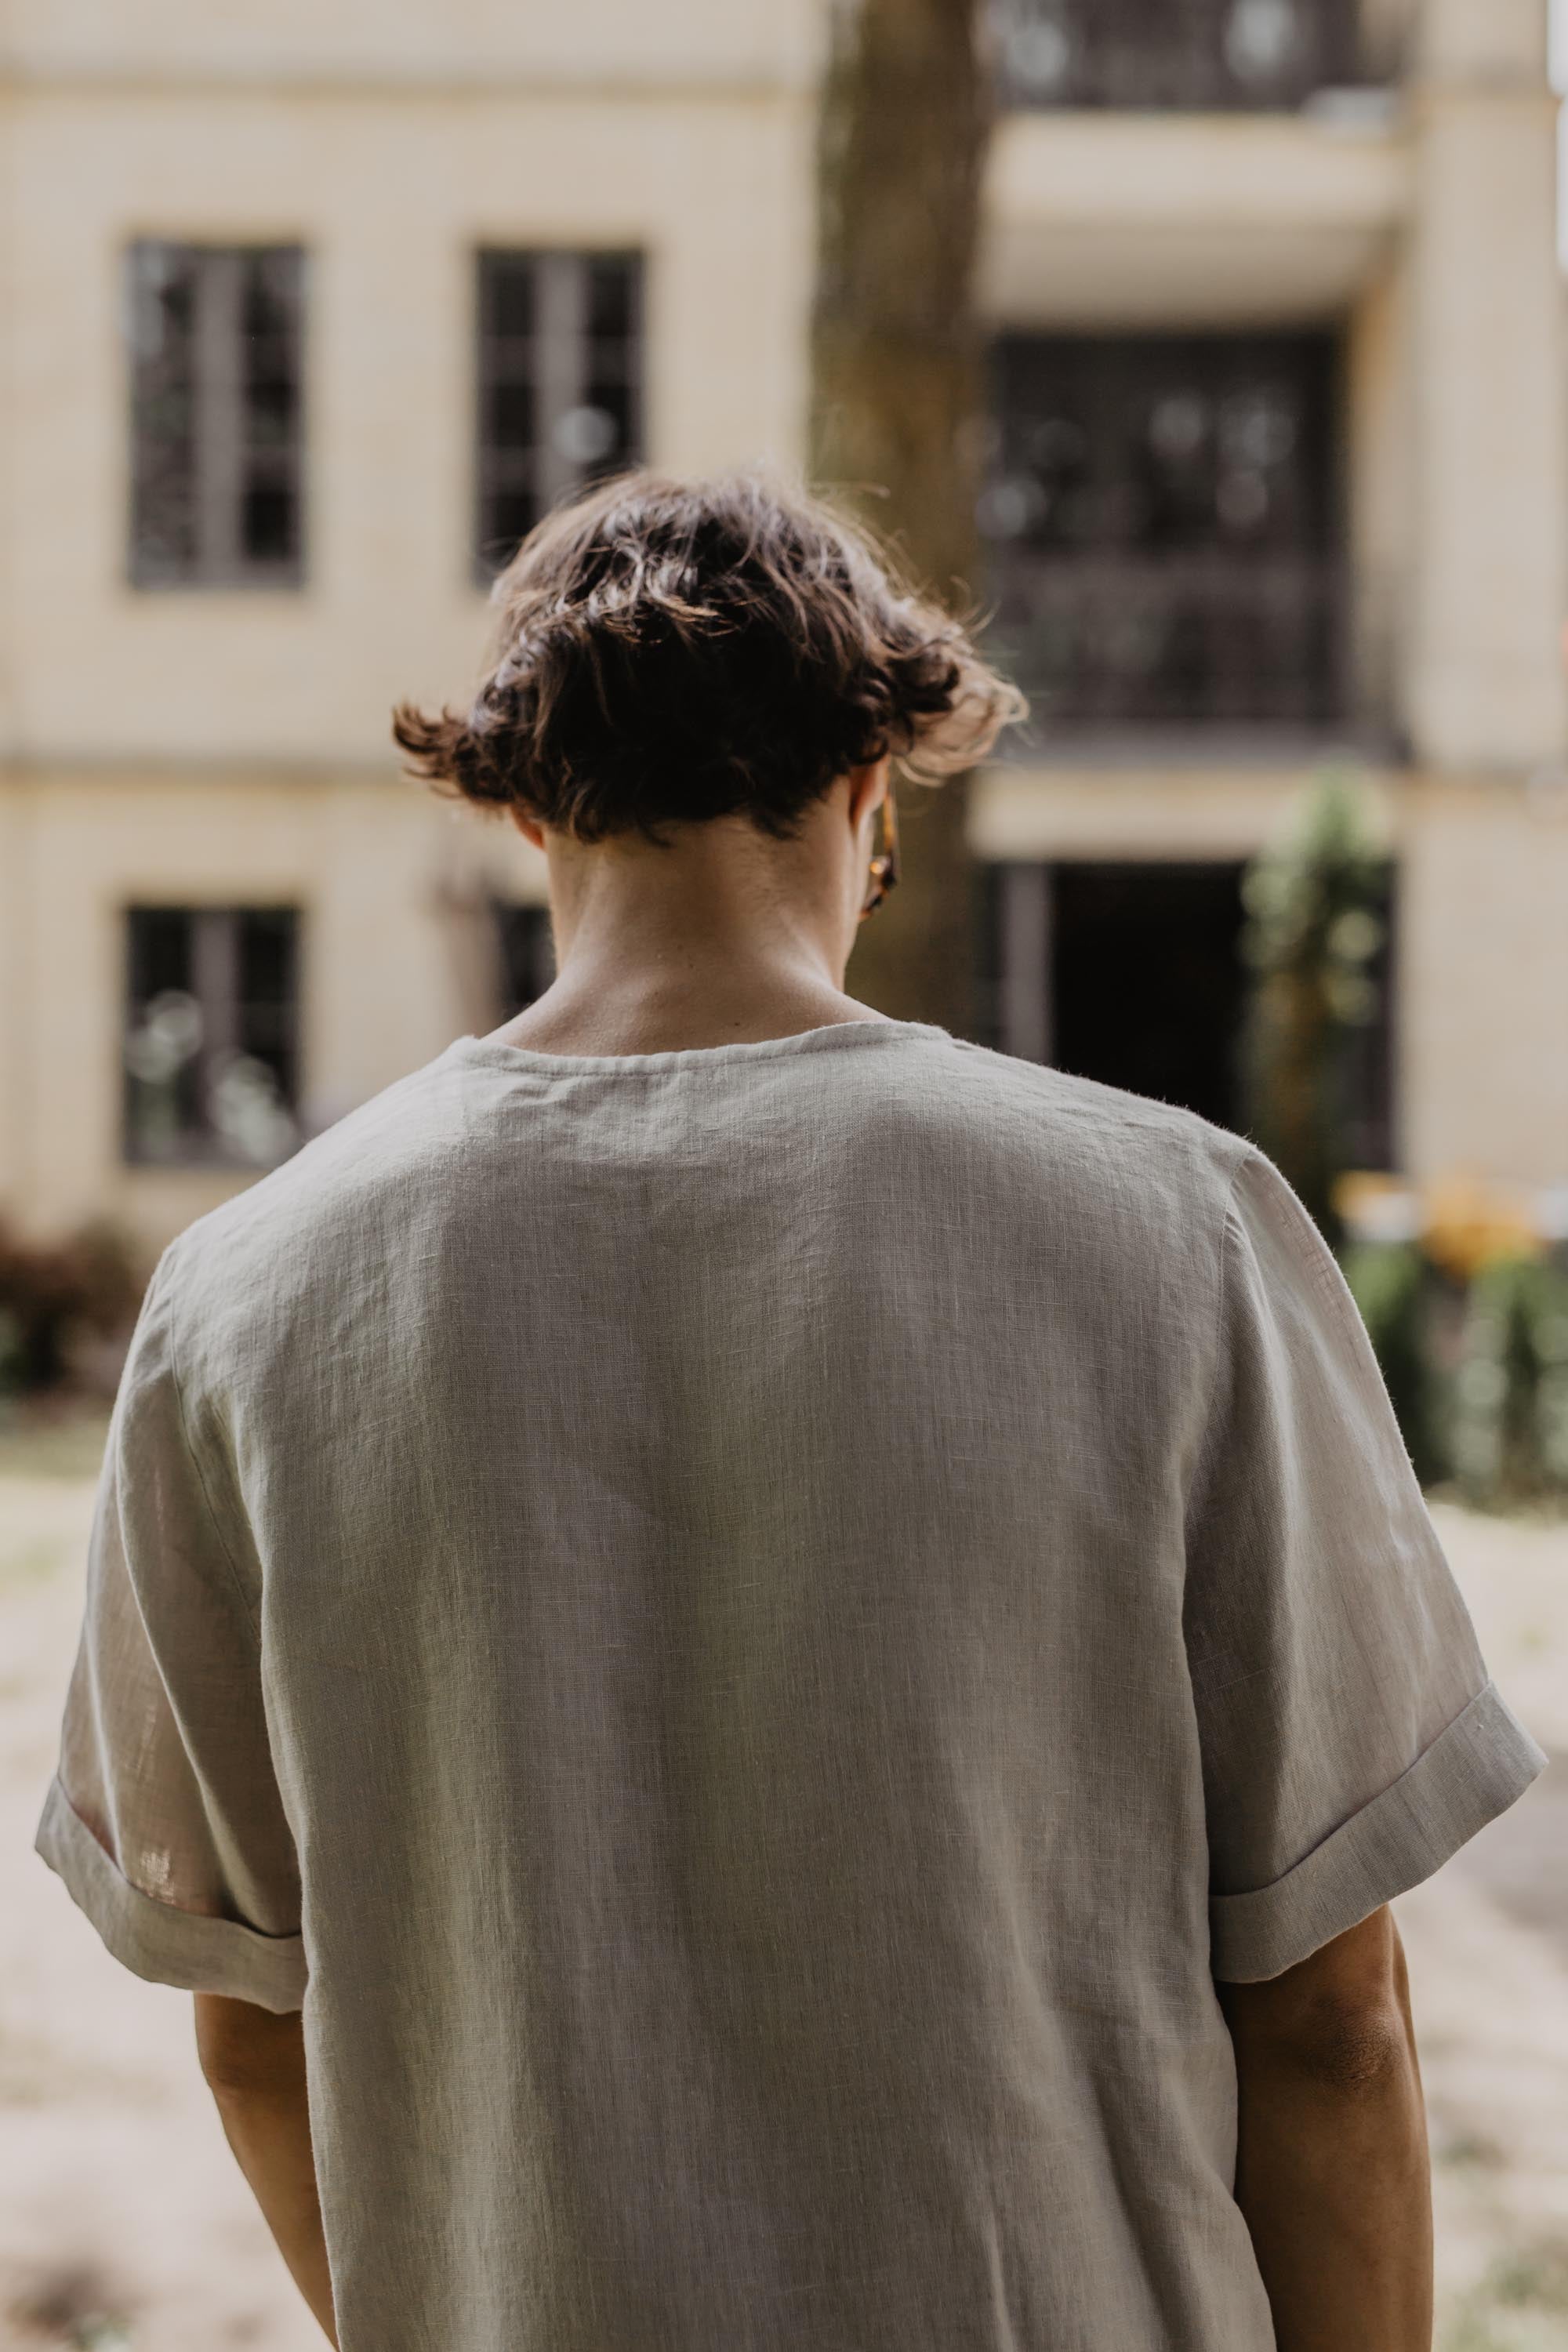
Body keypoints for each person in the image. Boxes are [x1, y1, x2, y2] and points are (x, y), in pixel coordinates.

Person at [38, 470, 1543, 2352]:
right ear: (869, 790)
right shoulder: (1181, 1228)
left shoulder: (241, 1306)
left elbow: (256, 2031)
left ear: (519, 806)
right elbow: (1330, 2022)